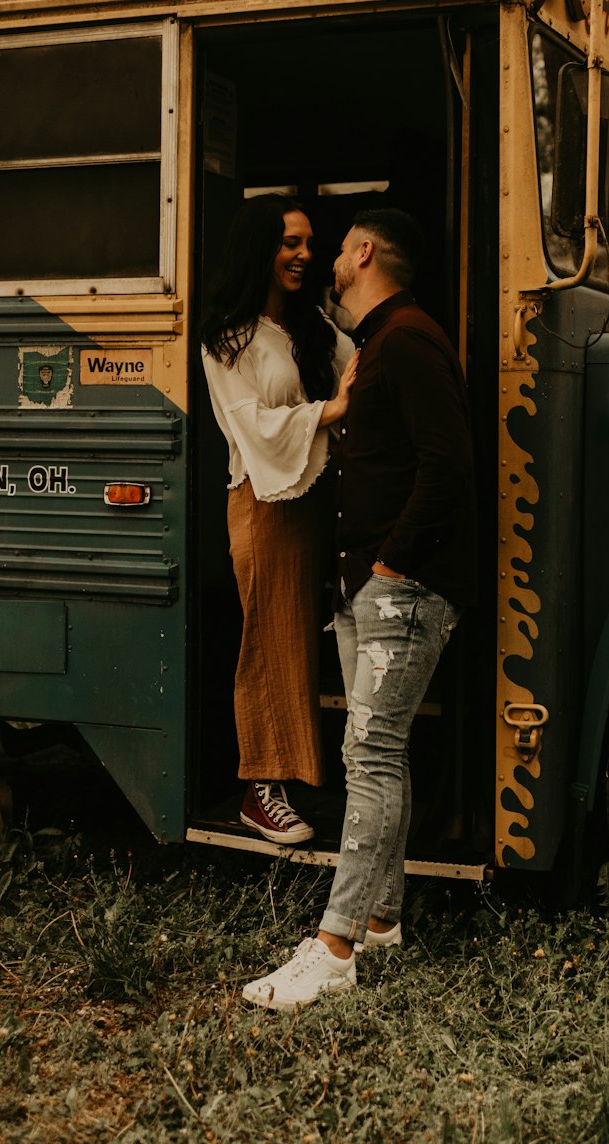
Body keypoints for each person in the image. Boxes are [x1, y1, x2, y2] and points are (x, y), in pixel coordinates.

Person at [243, 207, 476, 1009]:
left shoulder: (405, 338)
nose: (331, 260)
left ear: (366, 252)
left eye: (339, 249)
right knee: (381, 755)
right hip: (376, 590)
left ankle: (333, 947)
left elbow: (448, 466)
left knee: (370, 758)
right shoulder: (386, 340)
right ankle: (383, 924)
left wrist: (391, 564)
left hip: (398, 592)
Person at [201, 194, 357, 845]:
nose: (302, 255)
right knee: (271, 645)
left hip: (315, 500)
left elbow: (359, 358)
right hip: (265, 506)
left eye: (308, 244)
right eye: (289, 243)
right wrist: (332, 410)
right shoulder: (228, 338)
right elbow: (252, 426)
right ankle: (260, 789)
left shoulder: (309, 325)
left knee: (307, 643)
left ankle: (304, 777)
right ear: (260, 248)